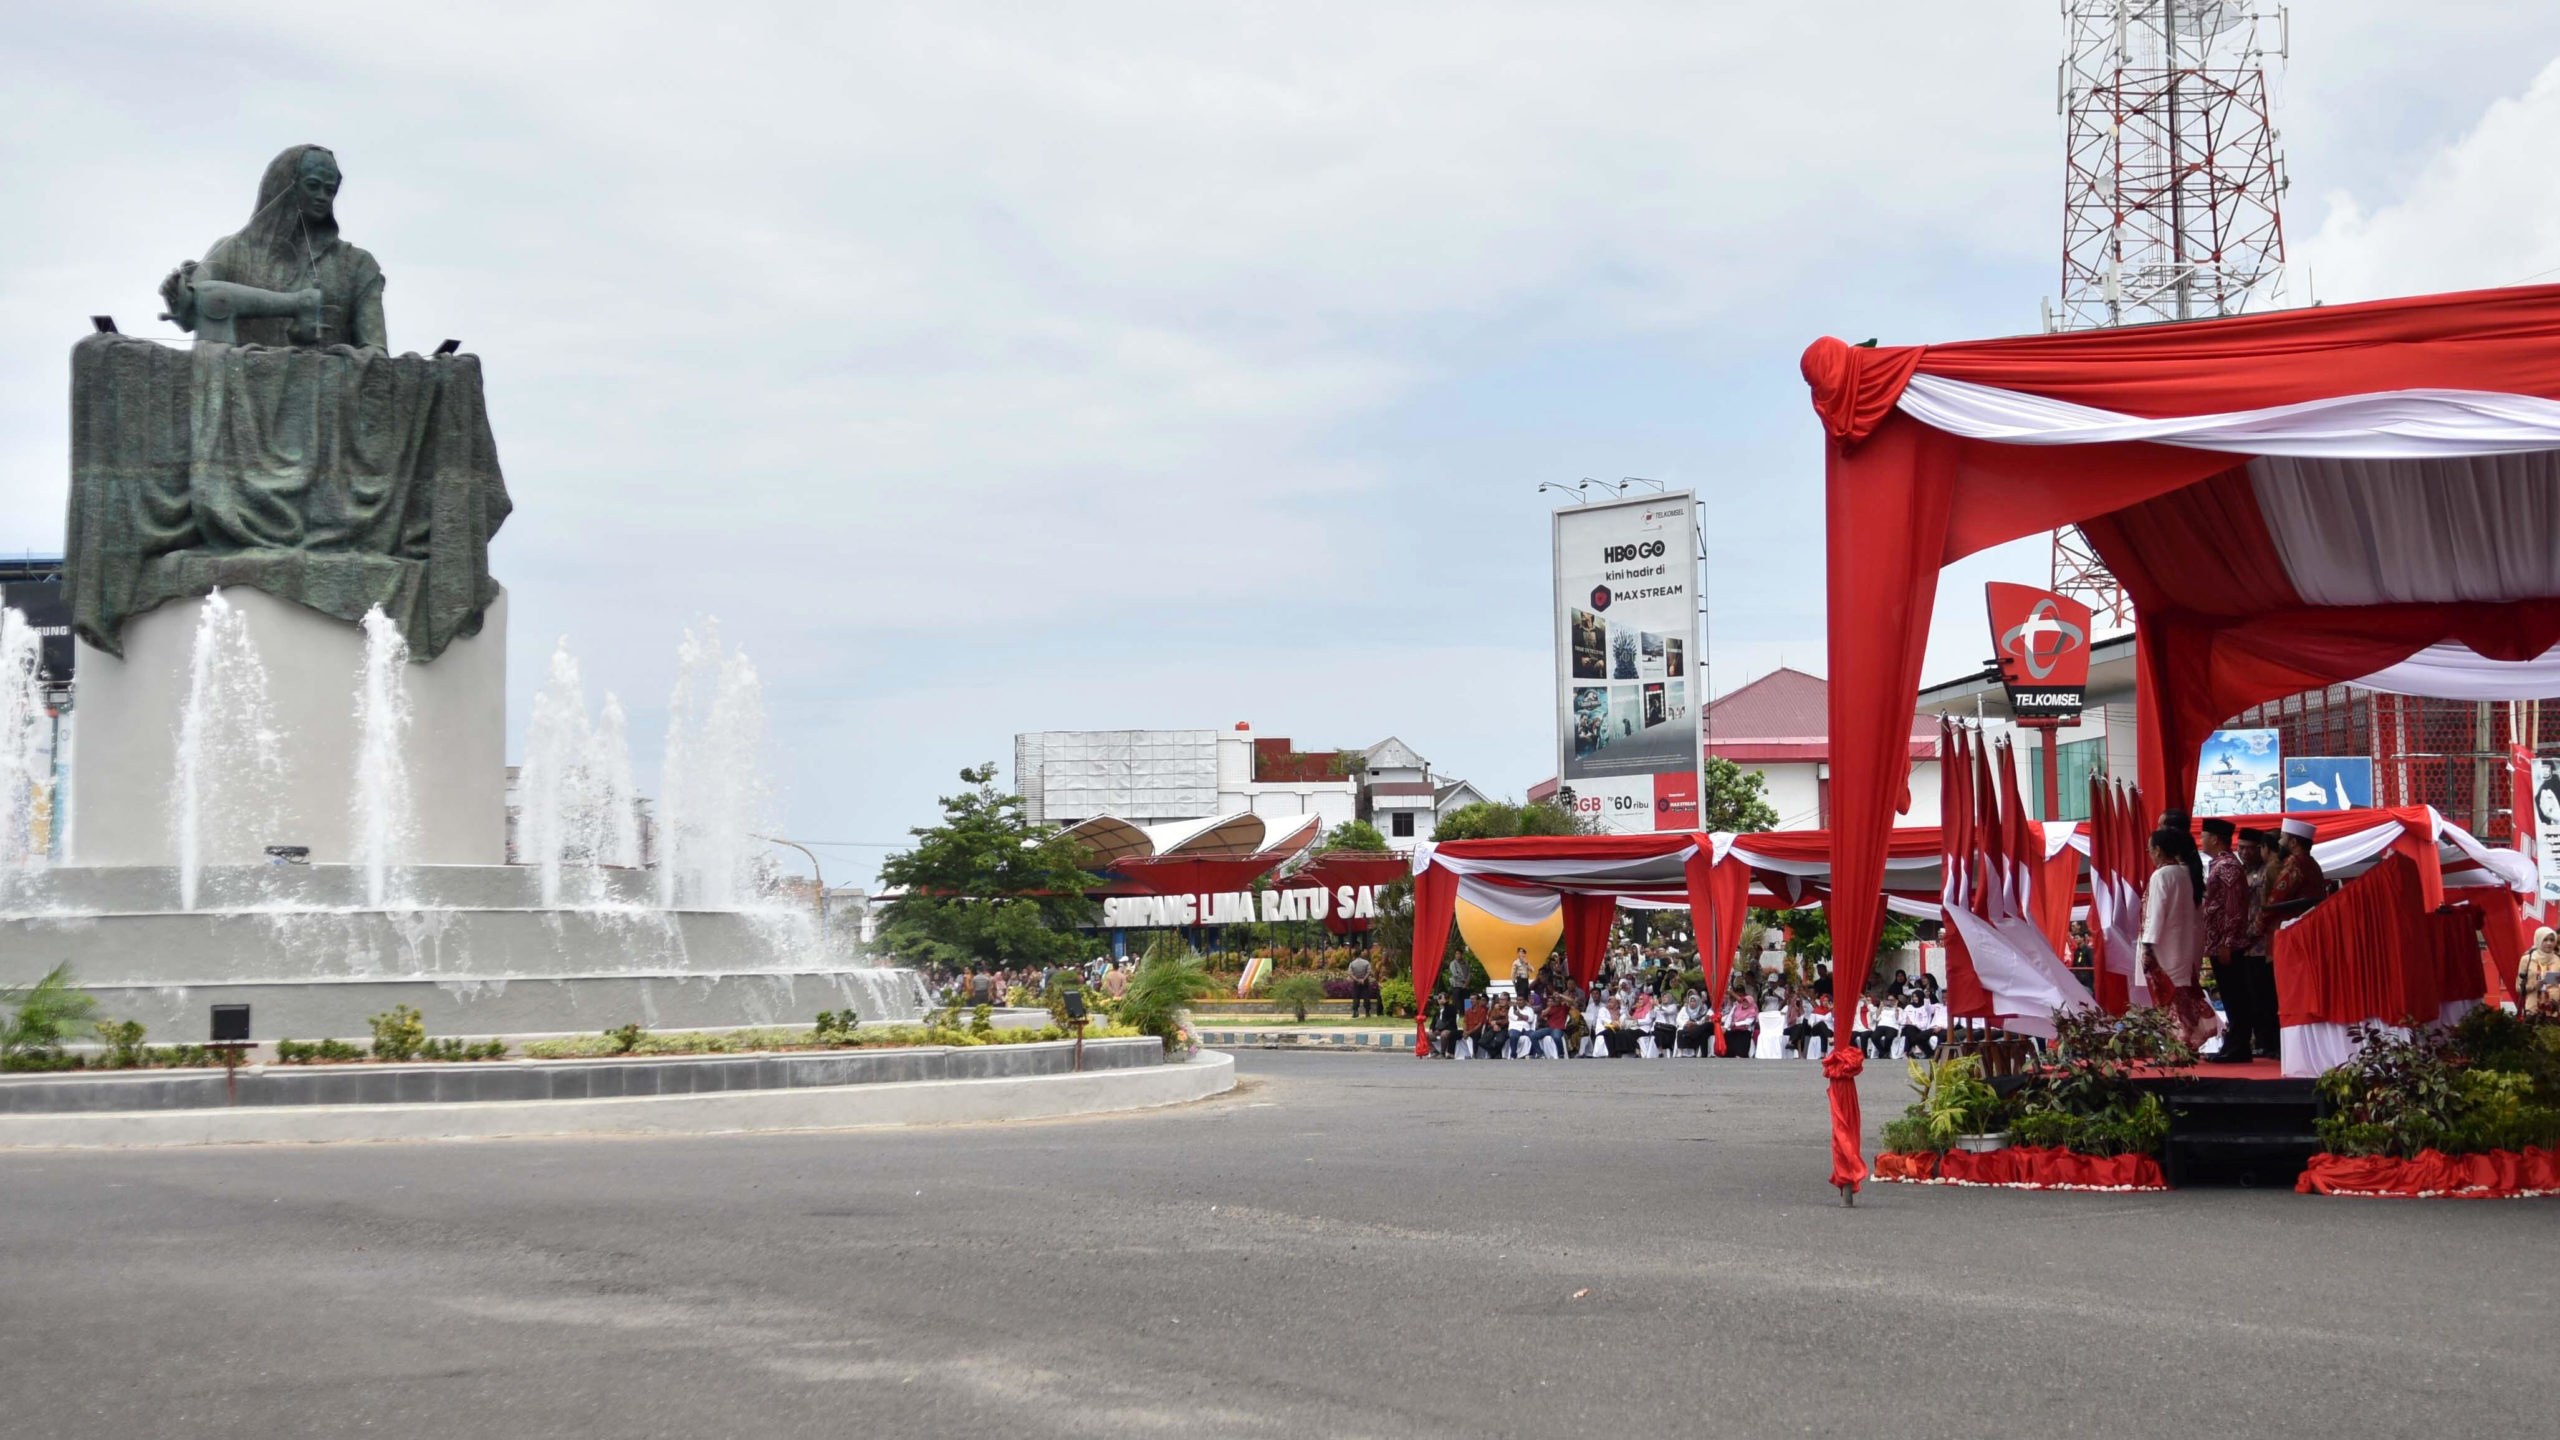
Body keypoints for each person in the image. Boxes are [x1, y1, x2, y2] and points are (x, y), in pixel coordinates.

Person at [2140, 827, 2222, 1050]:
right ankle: (2186, 1046)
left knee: (2170, 999)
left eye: (2149, 850)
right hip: (2184, 944)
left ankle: (2178, 1047)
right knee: (2182, 996)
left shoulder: (2162, 875)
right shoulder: (2186, 873)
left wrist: (2147, 947)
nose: (2149, 854)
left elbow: (2155, 915)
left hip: (2163, 947)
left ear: (2158, 850)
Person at [2198, 818, 2260, 1063]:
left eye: (2204, 836)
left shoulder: (2227, 867)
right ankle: (2234, 1043)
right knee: (2230, 994)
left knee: (2235, 995)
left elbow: (2233, 908)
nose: (2201, 840)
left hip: (2227, 943)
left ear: (2214, 838)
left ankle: (2239, 1045)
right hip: (2219, 941)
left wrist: (2227, 942)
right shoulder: (2220, 865)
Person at [2517, 927, 2560, 1016]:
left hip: (2553, 1010)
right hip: (2532, 1009)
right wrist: (2534, 985)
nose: (2549, 943)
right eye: (2545, 939)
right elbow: (2519, 988)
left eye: (2552, 940)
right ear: (2538, 940)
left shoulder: (2558, 960)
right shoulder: (2527, 959)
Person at [1721, 986, 1756, 1058]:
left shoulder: (1752, 1010)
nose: (1745, 1003)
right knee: (1727, 1034)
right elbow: (1730, 1017)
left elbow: (1748, 1021)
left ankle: (1740, 1054)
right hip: (1734, 1028)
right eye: (1744, 1001)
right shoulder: (1737, 1006)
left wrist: (1736, 1024)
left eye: (1747, 1001)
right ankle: (1728, 1053)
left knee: (1743, 1036)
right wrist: (1725, 1027)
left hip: (1745, 1030)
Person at [1428, 987, 1463, 1058]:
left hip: (1449, 1028)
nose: (1439, 999)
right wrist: (1431, 1028)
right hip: (1438, 1029)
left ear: (1446, 999)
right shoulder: (1437, 1011)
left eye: (1441, 997)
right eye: (1439, 998)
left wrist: (1445, 1004)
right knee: (1424, 1035)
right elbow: (1433, 1022)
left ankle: (1442, 1053)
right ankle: (1434, 1051)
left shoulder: (1451, 1008)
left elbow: (1450, 1017)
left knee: (1444, 1034)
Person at [1347, 951, 1377, 1018]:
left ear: (1354, 956)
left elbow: (1350, 973)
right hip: (1365, 982)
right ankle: (1367, 1012)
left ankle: (1355, 1012)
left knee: (1356, 997)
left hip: (1356, 982)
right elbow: (1369, 972)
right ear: (1361, 954)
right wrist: (1363, 979)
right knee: (1366, 997)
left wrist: (1357, 980)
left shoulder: (1352, 963)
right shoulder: (1366, 962)